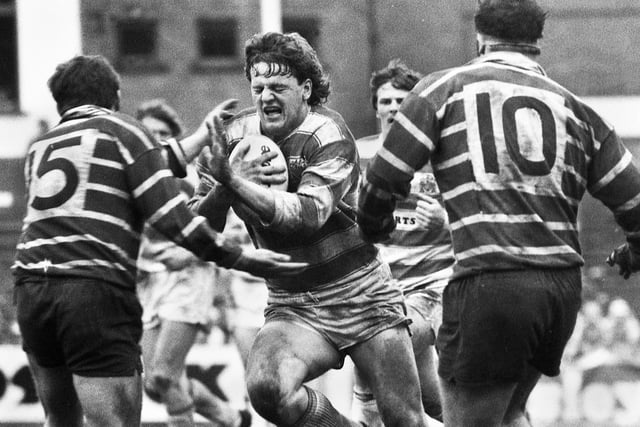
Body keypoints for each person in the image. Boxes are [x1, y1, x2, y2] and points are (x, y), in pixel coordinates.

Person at [356, 1, 640, 426]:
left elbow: (382, 176)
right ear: (538, 42)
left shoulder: (443, 89)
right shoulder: (578, 110)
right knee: (509, 413)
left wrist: (375, 224)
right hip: (559, 290)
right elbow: (635, 201)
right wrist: (634, 250)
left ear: (479, 37)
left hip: (491, 281)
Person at [11, 54, 306, 427]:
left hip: (32, 288)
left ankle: (227, 418)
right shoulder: (124, 131)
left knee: (59, 417)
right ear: (114, 96)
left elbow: (146, 161)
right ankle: (231, 419)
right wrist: (239, 259)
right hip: (91, 290)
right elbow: (175, 221)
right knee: (117, 418)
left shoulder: (41, 146)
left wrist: (201, 135)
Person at [190, 32, 429, 426]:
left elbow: (305, 216)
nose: (267, 96)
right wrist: (222, 185)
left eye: (279, 87)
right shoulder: (232, 139)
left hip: (362, 294)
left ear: (305, 89)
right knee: (267, 388)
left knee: (406, 418)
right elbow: (197, 229)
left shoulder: (328, 133)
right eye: (259, 86)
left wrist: (236, 183)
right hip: (292, 300)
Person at [135, 99, 251, 427]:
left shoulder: (189, 179)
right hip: (150, 282)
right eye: (147, 133)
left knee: (165, 375)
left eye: (162, 134)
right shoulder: (137, 180)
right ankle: (229, 417)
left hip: (189, 276)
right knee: (154, 382)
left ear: (174, 138)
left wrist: (185, 254)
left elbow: (222, 232)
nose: (155, 140)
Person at [352, 59, 454, 426]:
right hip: (382, 287)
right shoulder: (359, 154)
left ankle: (362, 414)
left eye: (402, 100)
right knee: (430, 399)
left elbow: (472, 218)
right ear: (375, 107)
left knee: (387, 347)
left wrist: (444, 222)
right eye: (385, 100)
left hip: (432, 284)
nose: (393, 107)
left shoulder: (439, 158)